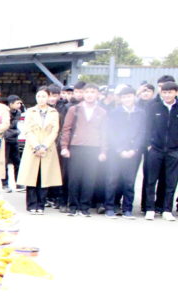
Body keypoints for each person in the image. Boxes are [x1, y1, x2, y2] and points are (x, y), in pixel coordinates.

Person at [59, 84, 108, 217]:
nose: (90, 95)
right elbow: (66, 129)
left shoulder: (102, 112)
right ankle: (73, 206)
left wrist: (103, 151)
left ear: (97, 94)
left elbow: (104, 133)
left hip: (93, 148)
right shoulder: (74, 109)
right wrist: (64, 147)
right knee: (74, 178)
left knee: (89, 179)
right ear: (83, 94)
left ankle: (84, 207)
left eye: (93, 92)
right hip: (76, 146)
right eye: (87, 92)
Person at [17, 88, 61, 214]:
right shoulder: (30, 111)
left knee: (44, 177)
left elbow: (55, 131)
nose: (41, 99)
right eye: (39, 96)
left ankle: (41, 205)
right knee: (31, 177)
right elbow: (27, 130)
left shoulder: (53, 112)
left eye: (43, 96)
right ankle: (31, 204)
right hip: (32, 147)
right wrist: (36, 146)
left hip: (48, 148)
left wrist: (44, 146)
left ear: (48, 97)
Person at [104, 86, 144, 219]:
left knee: (129, 181)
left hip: (133, 152)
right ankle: (109, 208)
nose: (127, 99)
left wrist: (134, 149)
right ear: (120, 99)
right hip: (116, 152)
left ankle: (127, 209)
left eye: (129, 96)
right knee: (112, 180)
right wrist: (119, 149)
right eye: (124, 97)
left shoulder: (141, 113)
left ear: (134, 97)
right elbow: (111, 132)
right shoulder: (114, 112)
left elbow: (142, 132)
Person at [141, 80, 178, 220]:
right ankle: (150, 208)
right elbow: (146, 128)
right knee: (151, 180)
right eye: (164, 92)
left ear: (176, 93)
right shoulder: (154, 107)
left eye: (170, 92)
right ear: (161, 93)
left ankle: (166, 209)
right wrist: (148, 145)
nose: (167, 95)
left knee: (171, 182)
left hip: (174, 151)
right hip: (155, 149)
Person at [3, 94, 24, 192]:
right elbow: (8, 126)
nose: (19, 105)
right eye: (17, 103)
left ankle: (19, 183)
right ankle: (5, 184)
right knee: (5, 162)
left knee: (17, 161)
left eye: (20, 103)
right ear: (11, 104)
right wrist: (15, 131)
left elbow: (15, 126)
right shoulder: (5, 112)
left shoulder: (18, 112)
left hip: (14, 139)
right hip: (6, 140)